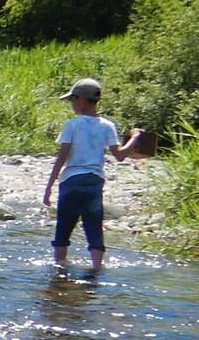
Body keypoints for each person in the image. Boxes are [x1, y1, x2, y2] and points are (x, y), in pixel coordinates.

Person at [41, 78, 144, 271]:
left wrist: (48, 188)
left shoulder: (71, 125)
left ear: (81, 100)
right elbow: (120, 155)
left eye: (72, 100)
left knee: (63, 227)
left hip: (71, 181)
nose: (72, 104)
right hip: (94, 181)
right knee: (94, 226)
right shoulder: (107, 126)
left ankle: (59, 270)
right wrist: (136, 137)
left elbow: (61, 158)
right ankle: (97, 269)